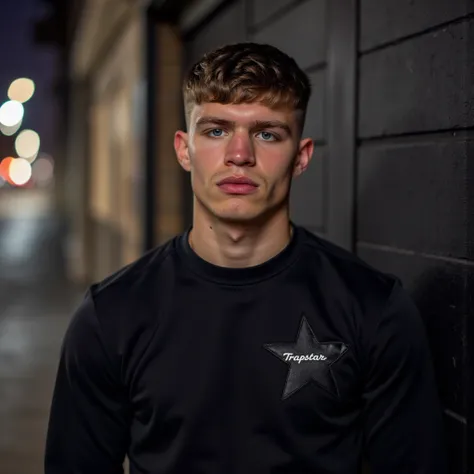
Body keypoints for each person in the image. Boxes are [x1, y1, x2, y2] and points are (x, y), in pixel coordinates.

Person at [45, 42, 447, 474]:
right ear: (184, 149)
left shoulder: (373, 308)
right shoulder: (112, 314)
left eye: (267, 134)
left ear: (301, 157)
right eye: (216, 131)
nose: (240, 155)